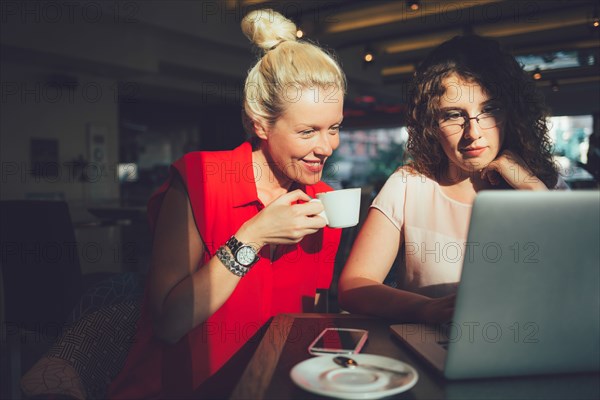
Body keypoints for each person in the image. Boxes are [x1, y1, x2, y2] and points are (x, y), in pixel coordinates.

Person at [109, 9, 346, 398]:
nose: (326, 147)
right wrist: (252, 237)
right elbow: (169, 323)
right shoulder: (200, 180)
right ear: (260, 123)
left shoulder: (324, 203)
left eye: (334, 128)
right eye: (308, 131)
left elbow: (306, 323)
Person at [338, 35, 562, 324]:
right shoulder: (409, 186)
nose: (473, 133)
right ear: (431, 124)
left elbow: (579, 278)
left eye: (489, 110)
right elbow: (354, 285)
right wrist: (425, 309)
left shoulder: (546, 189)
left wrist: (531, 187)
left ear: (513, 112)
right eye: (454, 115)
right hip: (430, 353)